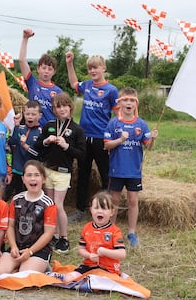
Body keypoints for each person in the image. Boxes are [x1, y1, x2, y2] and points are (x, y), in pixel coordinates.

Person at [65, 52, 119, 223]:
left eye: (96, 67)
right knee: (83, 174)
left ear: (104, 68)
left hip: (101, 138)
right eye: (90, 68)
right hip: (83, 137)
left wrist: (116, 138)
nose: (93, 71)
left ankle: (105, 209)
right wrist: (69, 63)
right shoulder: (87, 85)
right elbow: (74, 83)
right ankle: (80, 209)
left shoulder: (111, 90)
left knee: (105, 175)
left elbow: (118, 115)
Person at [103, 87, 157, 247]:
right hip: (117, 169)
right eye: (125, 100)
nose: (129, 103)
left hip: (134, 170)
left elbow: (148, 147)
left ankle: (132, 232)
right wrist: (120, 140)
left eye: (132, 100)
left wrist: (152, 139)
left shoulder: (141, 124)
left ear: (136, 104)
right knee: (115, 199)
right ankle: (111, 230)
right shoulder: (113, 123)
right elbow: (106, 146)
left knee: (133, 200)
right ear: (119, 103)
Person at [36, 92, 86, 254]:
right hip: (48, 170)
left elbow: (81, 154)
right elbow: (38, 145)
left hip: (64, 173)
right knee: (50, 205)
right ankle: (54, 234)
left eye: (64, 105)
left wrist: (65, 146)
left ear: (70, 107)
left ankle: (64, 238)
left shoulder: (77, 129)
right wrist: (46, 140)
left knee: (58, 205)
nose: (62, 109)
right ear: (54, 110)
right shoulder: (49, 125)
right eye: (58, 106)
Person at [0, 160, 57, 275]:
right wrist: (13, 247)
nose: (32, 179)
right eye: (29, 175)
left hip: (38, 250)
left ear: (43, 179)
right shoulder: (16, 199)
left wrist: (30, 251)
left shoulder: (48, 204)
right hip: (18, 248)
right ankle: (22, 266)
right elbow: (10, 226)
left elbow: (48, 233)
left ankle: (42, 265)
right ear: (23, 179)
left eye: (36, 175)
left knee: (24, 276)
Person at [62, 191, 126, 283]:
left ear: (112, 212)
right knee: (68, 279)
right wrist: (89, 255)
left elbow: (122, 254)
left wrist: (104, 252)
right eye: (96, 208)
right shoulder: (87, 228)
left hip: (108, 270)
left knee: (99, 282)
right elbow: (81, 249)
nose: (99, 211)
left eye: (104, 208)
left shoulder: (115, 231)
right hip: (89, 266)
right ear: (91, 209)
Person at [19, 28, 64, 123]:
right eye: (44, 68)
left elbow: (62, 113)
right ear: (38, 69)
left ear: (54, 72)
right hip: (33, 129)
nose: (46, 71)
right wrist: (25, 38)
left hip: (50, 131)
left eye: (50, 69)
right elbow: (22, 60)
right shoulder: (32, 83)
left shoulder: (58, 91)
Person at [6, 101, 43, 199]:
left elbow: (39, 155)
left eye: (33, 114)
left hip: (30, 172)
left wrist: (25, 146)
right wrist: (16, 126)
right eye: (27, 114)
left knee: (27, 196)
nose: (30, 116)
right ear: (23, 114)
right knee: (13, 194)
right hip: (17, 169)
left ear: (40, 116)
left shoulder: (41, 133)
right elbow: (12, 142)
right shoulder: (20, 128)